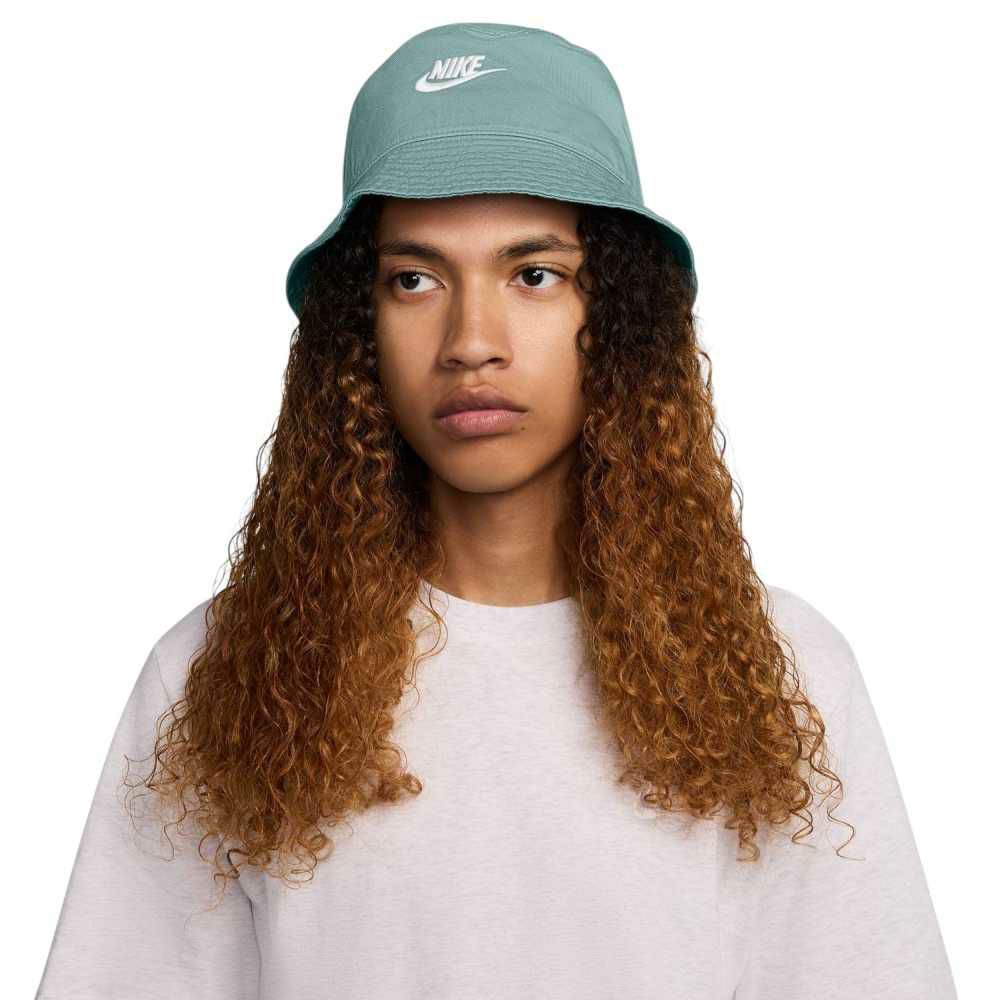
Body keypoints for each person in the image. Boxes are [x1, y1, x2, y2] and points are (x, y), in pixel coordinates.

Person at [35, 21, 957, 1000]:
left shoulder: (782, 671)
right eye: (414, 279)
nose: (472, 339)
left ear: (618, 315)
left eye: (534, 274)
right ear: (358, 327)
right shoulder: (223, 674)